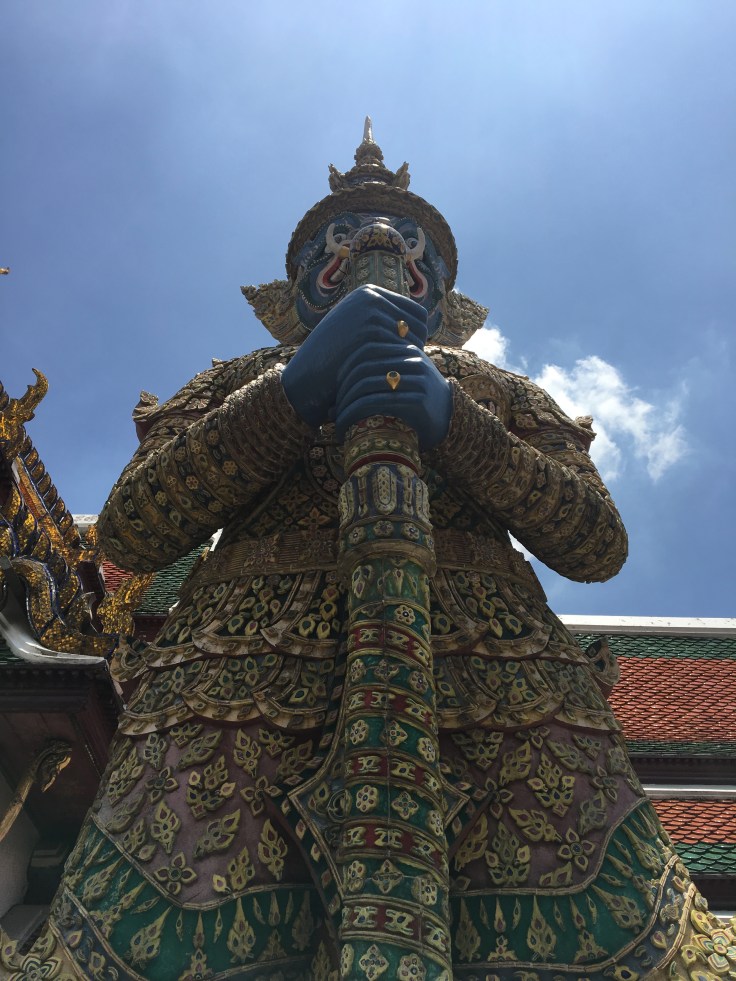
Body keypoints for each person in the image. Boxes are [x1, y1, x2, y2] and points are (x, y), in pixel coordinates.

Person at [18, 126, 735, 981]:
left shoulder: (496, 389)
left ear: (445, 291)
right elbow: (134, 528)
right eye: (344, 242)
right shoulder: (231, 380)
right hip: (235, 700)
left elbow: (595, 542)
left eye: (412, 248)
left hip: (499, 694)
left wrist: (455, 419)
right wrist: (292, 391)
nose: (382, 252)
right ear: (302, 282)